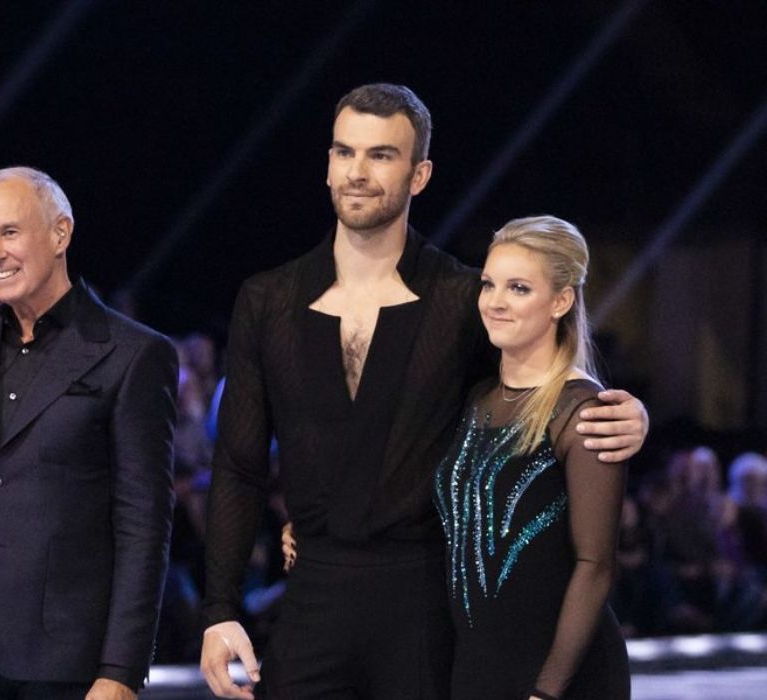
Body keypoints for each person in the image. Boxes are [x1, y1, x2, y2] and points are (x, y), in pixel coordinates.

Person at [198, 84, 648, 699]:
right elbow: (239, 465)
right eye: (344, 152)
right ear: (327, 162)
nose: (357, 172)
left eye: (381, 155)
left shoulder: (465, 298)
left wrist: (628, 414)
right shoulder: (267, 299)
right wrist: (220, 606)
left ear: (420, 174)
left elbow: (535, 388)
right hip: (311, 599)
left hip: (427, 609)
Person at [0, 166, 178, 699]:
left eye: (10, 232)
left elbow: (144, 527)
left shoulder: (133, 354)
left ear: (61, 233)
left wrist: (121, 672)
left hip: (69, 666)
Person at [433, 216, 629, 699]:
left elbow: (595, 564)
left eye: (518, 288)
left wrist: (547, 690)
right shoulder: (476, 398)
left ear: (561, 301)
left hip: (560, 677)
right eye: (489, 284)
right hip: (478, 669)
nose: (495, 301)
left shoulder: (583, 410)